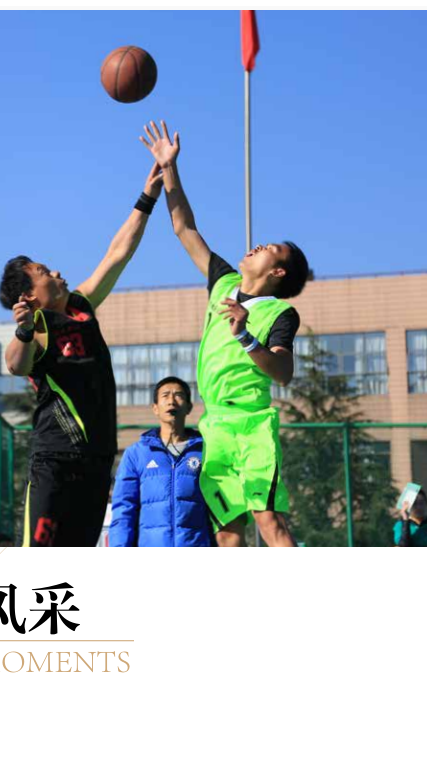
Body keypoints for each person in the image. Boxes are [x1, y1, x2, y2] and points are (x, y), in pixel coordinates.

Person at [141, 120, 310, 547]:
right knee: (228, 533)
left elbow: (283, 372)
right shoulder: (222, 282)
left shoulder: (280, 313)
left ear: (278, 272)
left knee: (269, 522)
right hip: (214, 424)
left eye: (270, 249)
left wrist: (245, 336)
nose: (259, 245)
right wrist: (169, 167)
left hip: (251, 424)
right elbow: (184, 228)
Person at [0, 162, 164, 547]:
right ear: (29, 295)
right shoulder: (37, 326)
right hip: (56, 461)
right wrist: (23, 330)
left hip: (97, 460)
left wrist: (148, 196)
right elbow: (14, 364)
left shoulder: (81, 304)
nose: (56, 271)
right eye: (43, 271)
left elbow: (118, 253)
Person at [110, 377, 212, 547]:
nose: (171, 401)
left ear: (189, 407)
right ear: (155, 408)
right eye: (165, 396)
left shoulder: (206, 451)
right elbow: (124, 509)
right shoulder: (136, 454)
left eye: (178, 395)